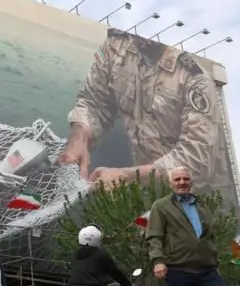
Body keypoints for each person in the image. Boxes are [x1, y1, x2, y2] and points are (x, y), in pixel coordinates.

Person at [58, 28, 230, 198]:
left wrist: (125, 177)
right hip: (148, 190)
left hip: (201, 198)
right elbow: (94, 101)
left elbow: (196, 160)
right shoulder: (115, 47)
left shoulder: (195, 78)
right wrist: (80, 137)